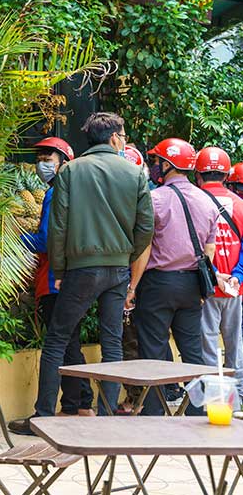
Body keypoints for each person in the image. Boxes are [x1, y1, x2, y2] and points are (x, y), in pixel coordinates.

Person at [32, 112, 154, 419]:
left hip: (81, 268)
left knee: (57, 339)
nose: (124, 141)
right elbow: (146, 228)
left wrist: (58, 271)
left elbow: (58, 228)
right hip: (117, 269)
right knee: (111, 342)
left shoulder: (71, 171)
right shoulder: (134, 173)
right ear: (114, 138)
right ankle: (106, 417)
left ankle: (44, 415)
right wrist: (127, 255)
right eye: (124, 136)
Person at [126, 138, 219, 416]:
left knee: (152, 348)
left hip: (159, 284)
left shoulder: (155, 200)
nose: (155, 167)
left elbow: (145, 248)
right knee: (192, 351)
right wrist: (203, 290)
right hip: (192, 285)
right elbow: (209, 251)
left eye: (156, 162)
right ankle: (197, 410)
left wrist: (133, 286)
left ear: (167, 165)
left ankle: (153, 410)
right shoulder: (207, 201)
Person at [8, 138, 93, 435]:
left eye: (48, 157)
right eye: (40, 157)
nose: (43, 163)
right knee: (70, 344)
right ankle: (77, 404)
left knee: (59, 344)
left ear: (64, 161)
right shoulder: (78, 193)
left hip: (55, 280)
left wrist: (14, 240)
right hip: (76, 277)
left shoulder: (55, 193)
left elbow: (47, 239)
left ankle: (53, 413)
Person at [195, 146, 243, 399]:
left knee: (208, 347)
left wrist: (213, 274)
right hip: (236, 289)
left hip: (206, 287)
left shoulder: (194, 201)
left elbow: (192, 245)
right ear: (226, 175)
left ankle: (215, 401)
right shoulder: (240, 204)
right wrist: (239, 275)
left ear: (198, 175)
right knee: (236, 348)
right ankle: (239, 402)